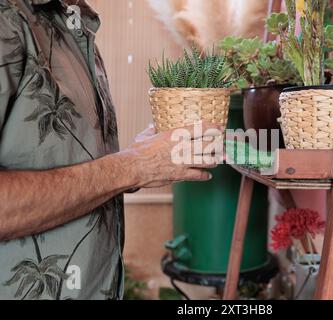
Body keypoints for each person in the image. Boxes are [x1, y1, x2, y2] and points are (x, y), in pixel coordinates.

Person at [0, 0, 219, 299]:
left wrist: (139, 162)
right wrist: (133, 166)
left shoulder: (75, 22)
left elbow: (73, 161)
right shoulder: (7, 18)